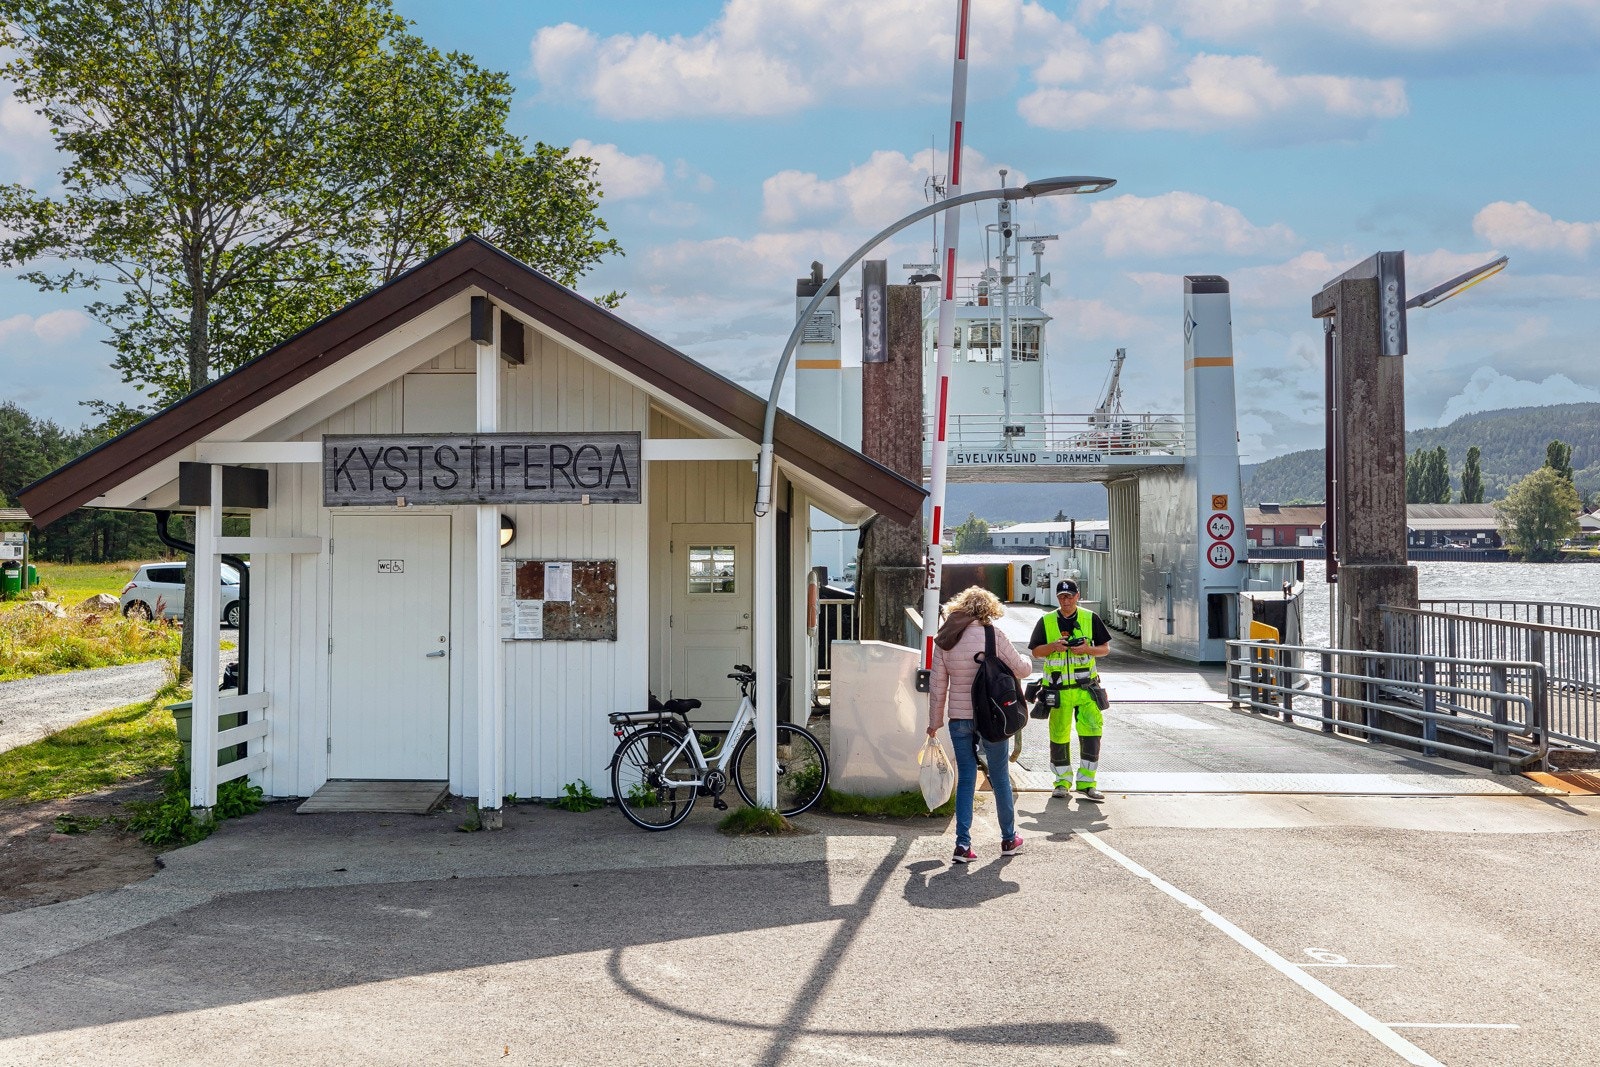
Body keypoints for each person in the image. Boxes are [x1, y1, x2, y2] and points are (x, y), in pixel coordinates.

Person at [927, 586, 1031, 864]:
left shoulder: (945, 639)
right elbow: (1022, 670)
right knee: (999, 778)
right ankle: (1009, 839)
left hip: (959, 719)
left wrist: (934, 723)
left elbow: (938, 687)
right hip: (993, 719)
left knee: (966, 780)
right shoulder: (993, 635)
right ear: (989, 609)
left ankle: (963, 845)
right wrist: (1029, 661)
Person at [1029, 578, 1112, 802]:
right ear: (1057, 598)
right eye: (1061, 597)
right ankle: (1062, 782)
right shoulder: (1046, 621)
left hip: (1086, 690)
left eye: (1069, 596)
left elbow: (1105, 650)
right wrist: (1053, 647)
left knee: (1092, 734)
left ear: (1077, 596)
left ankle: (1087, 783)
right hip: (1058, 691)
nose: (1065, 600)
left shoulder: (1089, 618)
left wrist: (1087, 649)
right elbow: (1036, 652)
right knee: (1058, 736)